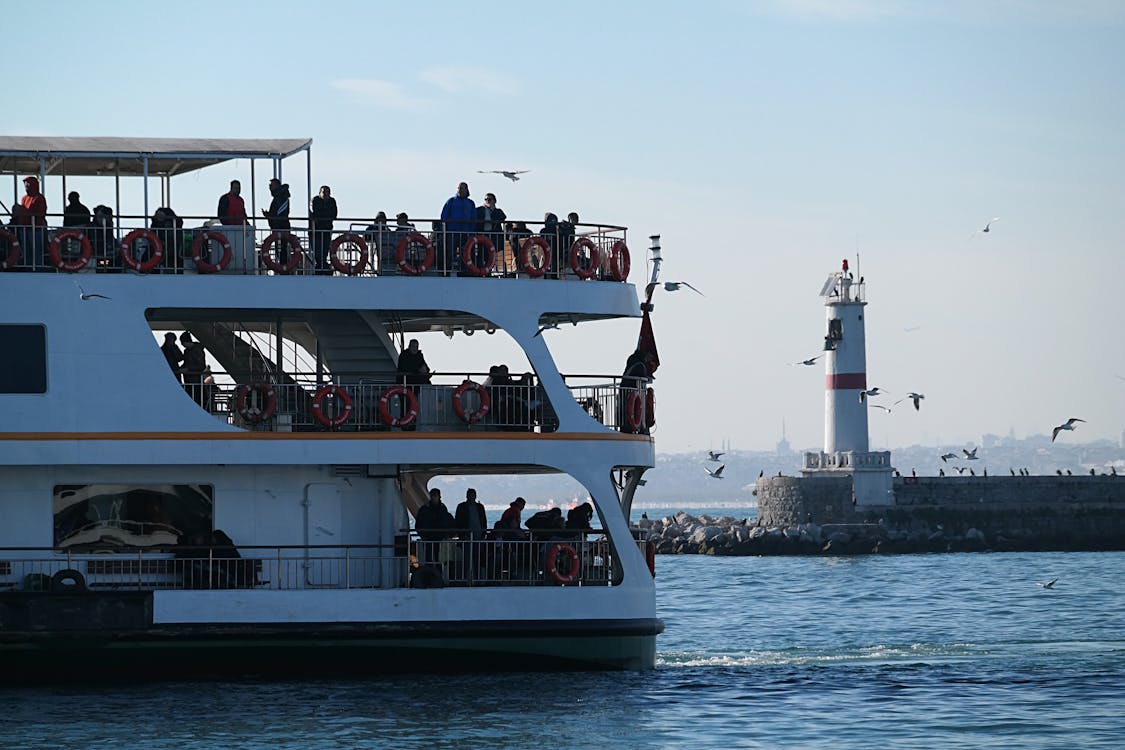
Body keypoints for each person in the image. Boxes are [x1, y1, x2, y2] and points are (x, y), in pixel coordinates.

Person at [12, 176, 47, 269]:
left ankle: (38, 268)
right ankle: (28, 268)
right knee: (26, 251)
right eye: (25, 183)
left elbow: (41, 213)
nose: (26, 185)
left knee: (36, 251)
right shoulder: (24, 198)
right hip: (24, 229)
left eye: (28, 183)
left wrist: (24, 212)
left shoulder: (40, 198)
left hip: (35, 229)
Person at [440, 181, 475, 274]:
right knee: (450, 253)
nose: (460, 190)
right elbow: (444, 216)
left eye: (462, 188)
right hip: (452, 232)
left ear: (467, 189)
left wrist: (471, 231)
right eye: (459, 188)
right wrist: (445, 230)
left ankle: (464, 272)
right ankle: (447, 271)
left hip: (465, 233)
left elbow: (473, 218)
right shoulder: (451, 201)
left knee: (466, 253)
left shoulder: (470, 203)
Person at [415, 487, 455, 564]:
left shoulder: (443, 509)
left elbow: (447, 522)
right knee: (428, 559)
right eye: (432, 495)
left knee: (439, 559)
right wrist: (423, 535)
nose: (433, 497)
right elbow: (419, 523)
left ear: (439, 496)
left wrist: (447, 534)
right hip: (428, 538)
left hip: (440, 538)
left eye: (435, 495)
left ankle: (438, 573)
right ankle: (430, 574)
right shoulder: (425, 509)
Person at [619, 349, 653, 434]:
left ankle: (626, 427)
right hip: (630, 392)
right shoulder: (640, 365)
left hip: (624, 391)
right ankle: (634, 428)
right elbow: (643, 376)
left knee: (624, 412)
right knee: (630, 411)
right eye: (649, 357)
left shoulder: (633, 360)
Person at [475, 192, 506, 273]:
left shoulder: (498, 211)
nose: (487, 201)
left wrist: (492, 210)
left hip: (494, 236)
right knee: (482, 254)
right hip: (483, 235)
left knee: (492, 255)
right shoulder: (480, 210)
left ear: (494, 201)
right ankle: (481, 271)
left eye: (489, 199)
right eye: (486, 199)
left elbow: (502, 217)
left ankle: (491, 271)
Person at [309, 185, 337, 275]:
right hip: (316, 231)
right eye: (324, 192)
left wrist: (324, 216)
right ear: (319, 193)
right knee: (317, 250)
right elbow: (315, 212)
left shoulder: (332, 201)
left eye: (327, 192)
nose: (326, 194)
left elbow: (334, 214)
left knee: (325, 249)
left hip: (327, 230)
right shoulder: (315, 200)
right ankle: (320, 267)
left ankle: (323, 267)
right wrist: (324, 216)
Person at [180, 332, 207, 406]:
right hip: (189, 380)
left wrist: (188, 369)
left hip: (196, 380)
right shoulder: (187, 351)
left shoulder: (198, 350)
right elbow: (186, 363)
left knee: (196, 399)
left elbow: (202, 366)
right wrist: (181, 368)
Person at [540, 212, 561, 278]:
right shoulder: (543, 231)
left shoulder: (558, 231)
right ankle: (547, 276)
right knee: (547, 264)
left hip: (556, 251)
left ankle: (554, 276)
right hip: (546, 252)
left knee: (554, 264)